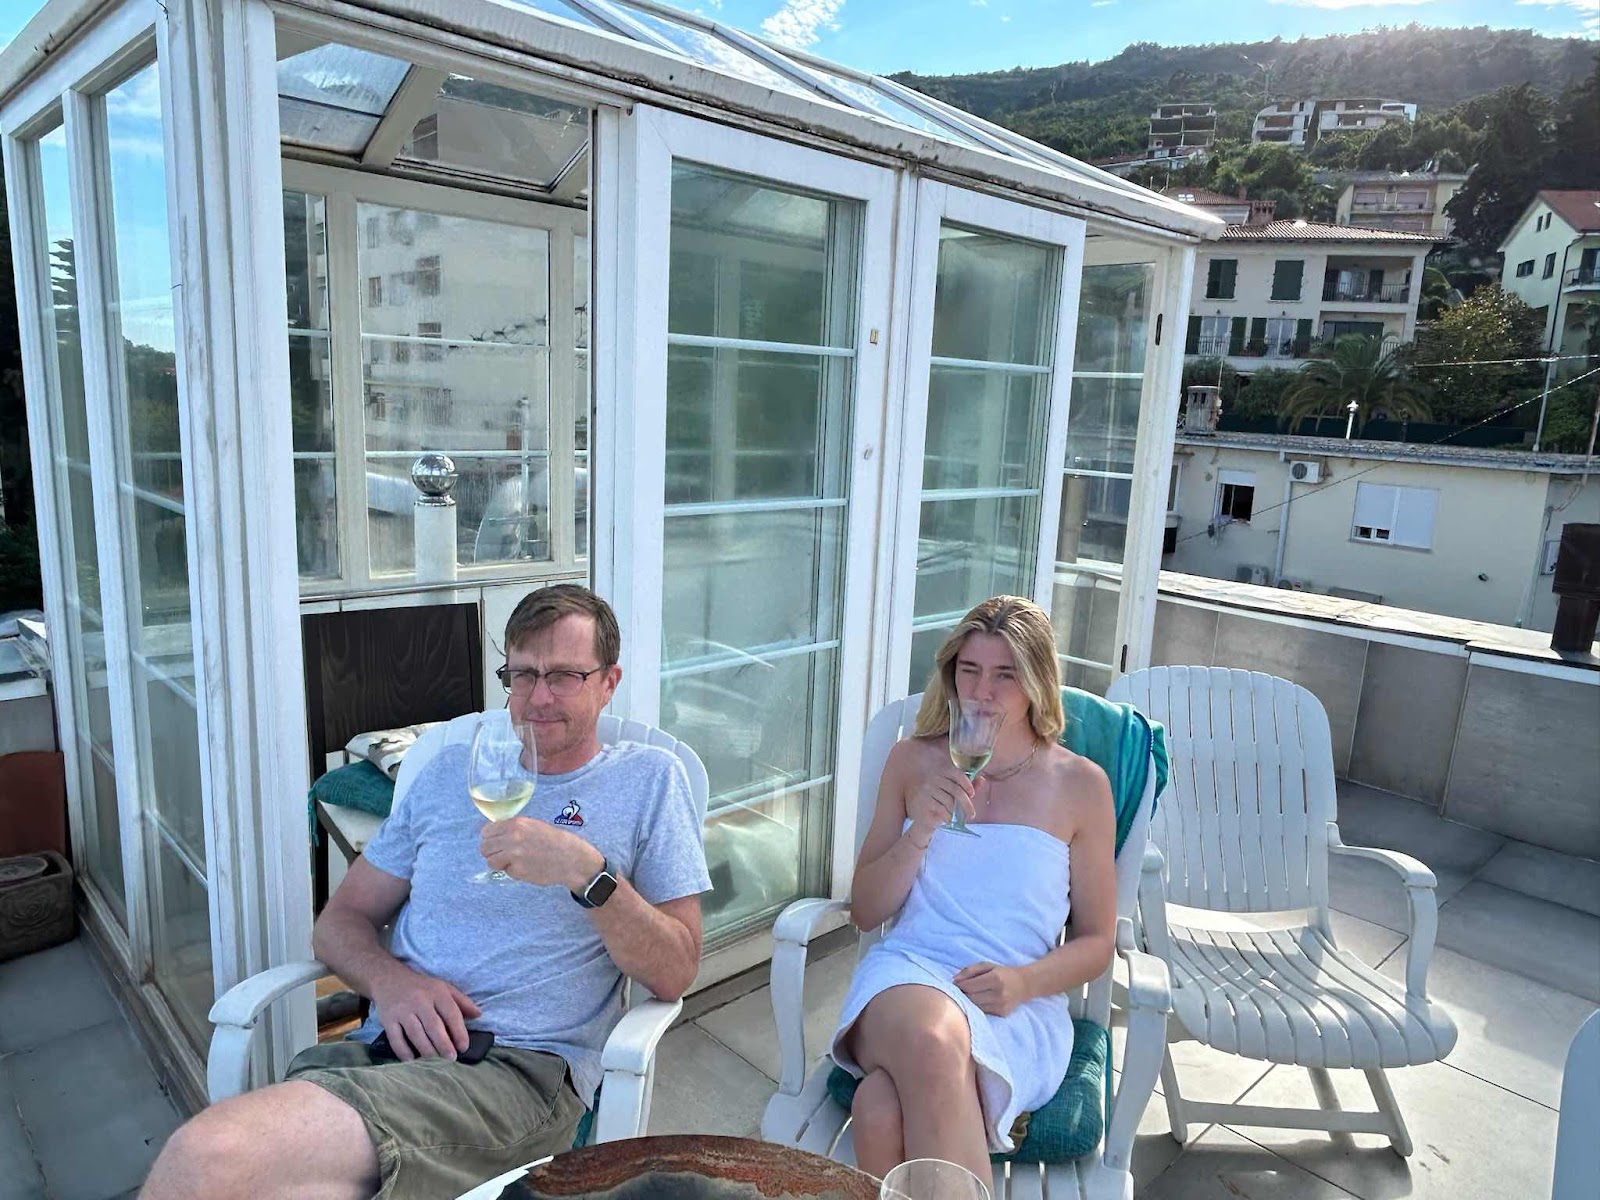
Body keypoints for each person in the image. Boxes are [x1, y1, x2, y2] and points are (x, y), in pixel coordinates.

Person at [143, 585, 711, 1200]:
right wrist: (390, 983)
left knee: (208, 1156)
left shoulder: (650, 780)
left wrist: (588, 874)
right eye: (523, 675)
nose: (539, 697)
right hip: (383, 1052)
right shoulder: (448, 773)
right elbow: (340, 922)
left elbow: (675, 970)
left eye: (565, 676)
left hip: (512, 1071)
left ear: (608, 682)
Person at [830, 596, 1117, 1180]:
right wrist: (920, 832)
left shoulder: (1081, 786)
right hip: (908, 976)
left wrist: (1024, 982)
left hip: (1015, 1002)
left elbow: (1097, 942)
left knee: (879, 1108)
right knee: (934, 1043)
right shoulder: (912, 762)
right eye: (970, 670)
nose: (982, 692)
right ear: (951, 675)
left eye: (1004, 675)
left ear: (1036, 683)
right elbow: (865, 911)